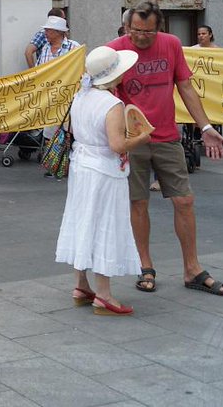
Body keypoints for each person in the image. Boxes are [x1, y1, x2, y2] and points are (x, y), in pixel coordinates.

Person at [109, 1, 223, 297]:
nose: (140, 37)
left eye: (147, 32)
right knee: (138, 203)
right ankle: (145, 266)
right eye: (135, 31)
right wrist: (115, 140)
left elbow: (186, 87)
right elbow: (107, 96)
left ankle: (192, 269)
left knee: (184, 200)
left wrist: (205, 127)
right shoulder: (114, 49)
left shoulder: (171, 45)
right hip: (133, 140)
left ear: (158, 28)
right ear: (127, 26)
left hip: (166, 136)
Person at [55, 46, 152, 316]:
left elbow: (70, 130)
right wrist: (142, 138)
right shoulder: (112, 104)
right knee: (104, 224)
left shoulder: (80, 96)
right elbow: (117, 145)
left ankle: (81, 285)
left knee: (83, 220)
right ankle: (104, 294)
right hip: (104, 171)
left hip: (81, 166)